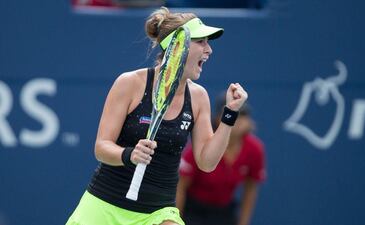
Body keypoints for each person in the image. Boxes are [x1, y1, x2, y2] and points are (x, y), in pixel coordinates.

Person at [66, 6, 248, 225]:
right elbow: (102, 147)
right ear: (177, 46)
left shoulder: (199, 98)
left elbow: (207, 162)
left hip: (158, 213)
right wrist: (129, 155)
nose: (209, 50)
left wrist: (230, 114)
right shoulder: (129, 83)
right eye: (201, 41)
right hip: (104, 205)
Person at [176, 95, 266, 225]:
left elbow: (251, 188)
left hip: (225, 211)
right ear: (219, 118)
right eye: (236, 114)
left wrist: (243, 222)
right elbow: (180, 187)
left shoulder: (255, 149)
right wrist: (176, 220)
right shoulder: (201, 146)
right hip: (194, 211)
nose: (240, 120)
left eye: (244, 114)